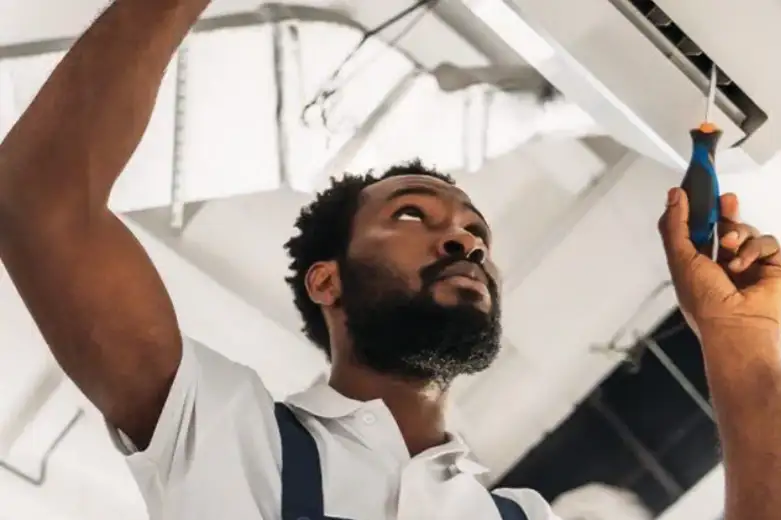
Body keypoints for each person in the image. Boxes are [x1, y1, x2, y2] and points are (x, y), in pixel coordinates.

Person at [0, 0, 779, 519]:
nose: (465, 240)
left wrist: (738, 348)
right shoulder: (218, 431)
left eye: (476, 231)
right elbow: (41, 204)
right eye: (413, 214)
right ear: (326, 280)